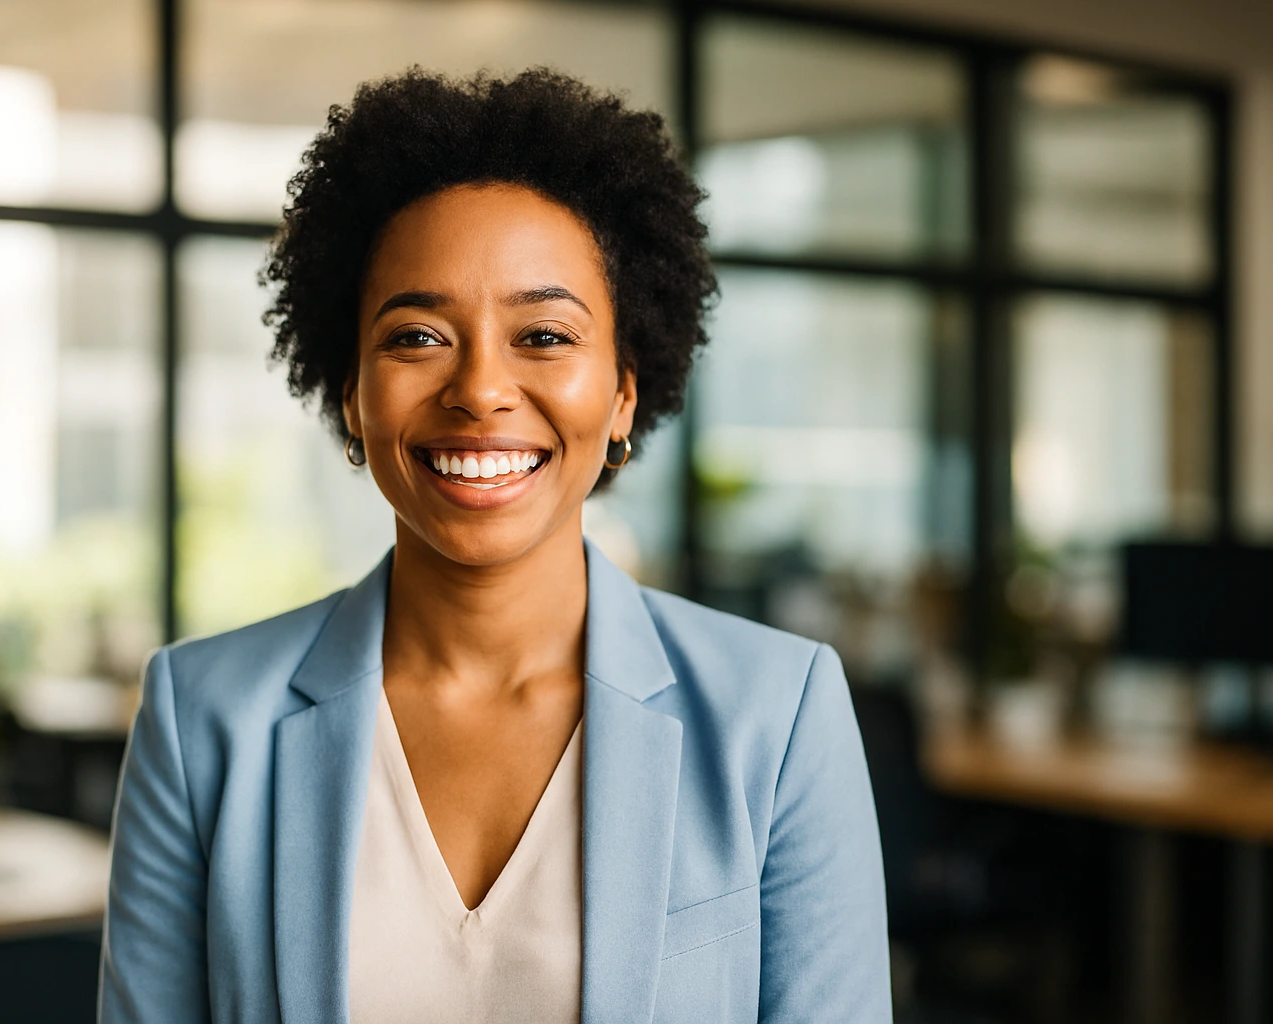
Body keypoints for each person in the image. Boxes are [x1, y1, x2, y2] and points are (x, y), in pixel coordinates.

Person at [99, 67, 890, 1024]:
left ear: (625, 392)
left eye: (545, 335)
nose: (480, 389)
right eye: (418, 335)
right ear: (351, 393)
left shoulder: (778, 717)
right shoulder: (201, 723)